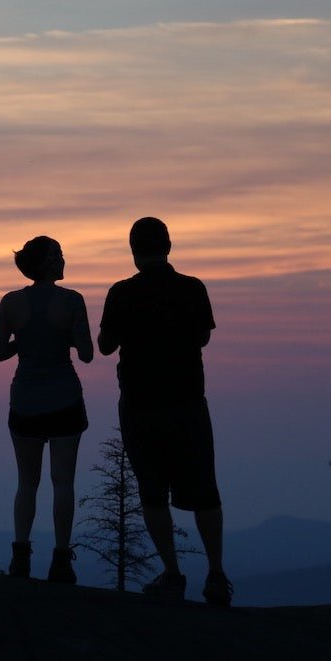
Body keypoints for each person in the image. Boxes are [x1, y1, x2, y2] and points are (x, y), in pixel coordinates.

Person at [97, 217, 232, 606]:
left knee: (152, 491)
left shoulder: (121, 293)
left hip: (140, 404)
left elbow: (106, 346)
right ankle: (217, 575)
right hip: (188, 400)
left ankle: (172, 574)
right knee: (205, 490)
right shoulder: (192, 288)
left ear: (133, 251)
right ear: (169, 246)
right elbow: (204, 336)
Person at [0, 236, 93, 582]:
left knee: (27, 483)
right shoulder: (72, 301)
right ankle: (61, 560)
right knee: (63, 482)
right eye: (60, 254)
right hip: (64, 398)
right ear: (49, 263)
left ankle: (21, 555)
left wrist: (26, 339)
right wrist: (61, 336)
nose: (64, 259)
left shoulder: (10, 303)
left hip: (25, 402)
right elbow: (87, 353)